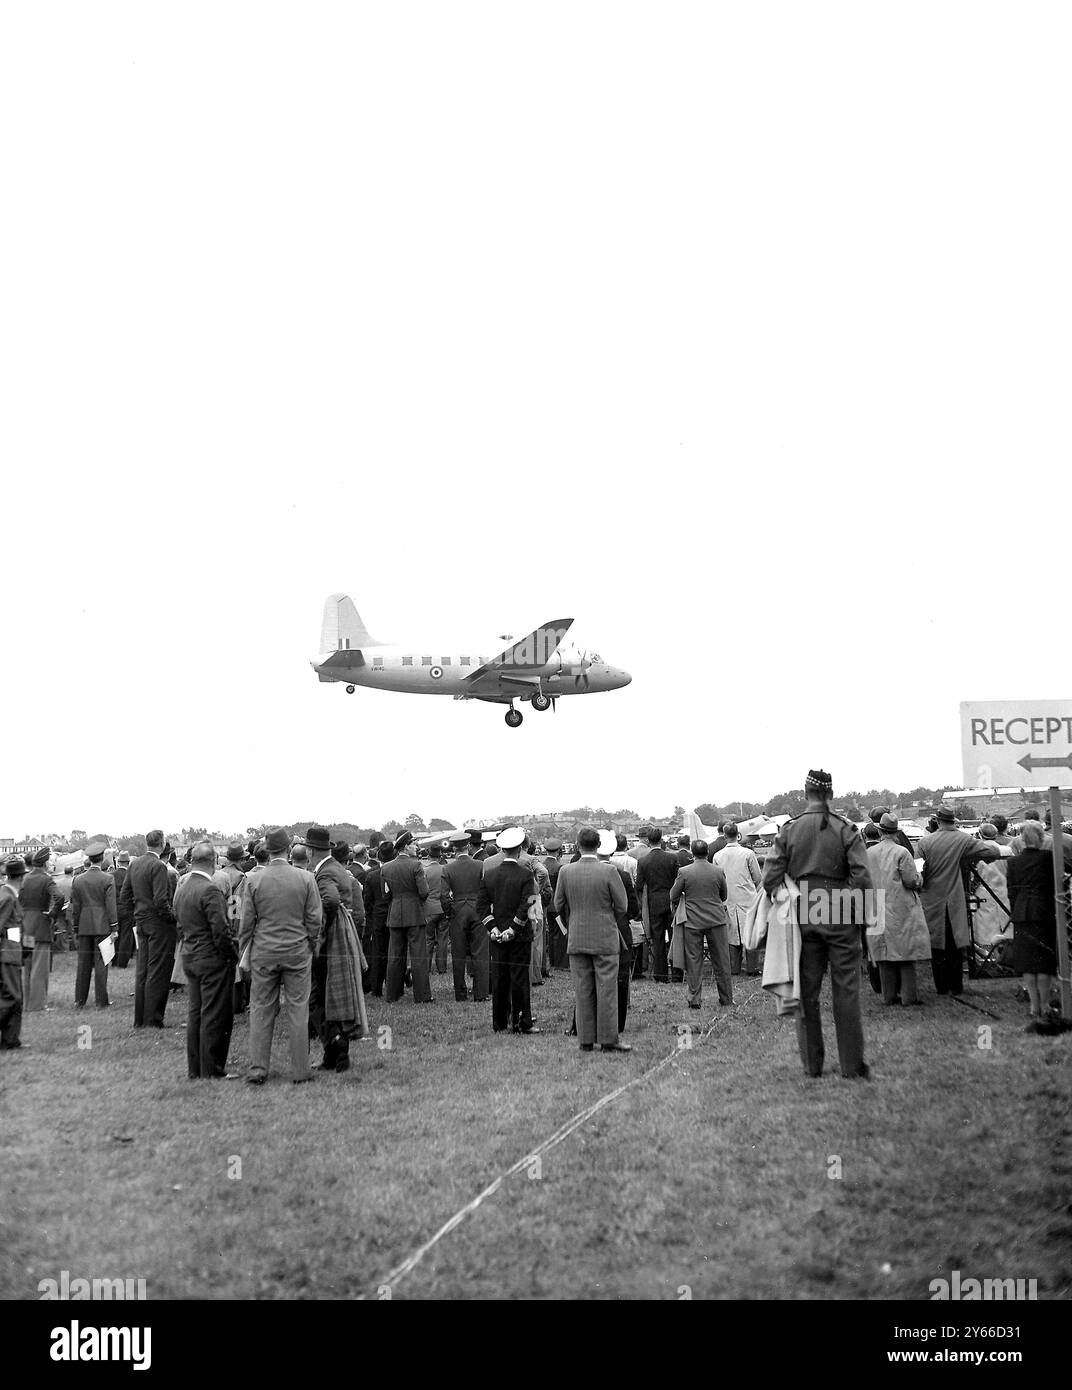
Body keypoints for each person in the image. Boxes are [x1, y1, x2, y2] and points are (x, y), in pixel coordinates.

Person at [762, 769, 873, 1080]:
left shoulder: (790, 829)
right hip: (840, 908)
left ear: (805, 792)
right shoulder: (845, 828)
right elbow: (863, 878)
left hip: (803, 909)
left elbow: (769, 877)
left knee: (806, 992)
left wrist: (787, 897)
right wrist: (862, 918)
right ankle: (852, 1065)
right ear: (831, 794)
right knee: (847, 991)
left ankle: (812, 1066)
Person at [239, 827, 322, 1085]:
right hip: (297, 951)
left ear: (267, 849)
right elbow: (314, 919)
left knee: (261, 1010)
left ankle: (258, 1069)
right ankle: (300, 1071)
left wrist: (245, 952)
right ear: (288, 849)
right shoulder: (306, 878)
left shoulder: (253, 880)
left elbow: (246, 923)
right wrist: (311, 944)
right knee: (298, 1010)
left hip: (264, 953)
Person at [554, 826, 630, 1052]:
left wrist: (573, 919)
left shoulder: (566, 871)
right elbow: (622, 906)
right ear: (598, 846)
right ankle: (608, 1040)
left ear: (577, 846)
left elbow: (558, 905)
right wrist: (607, 917)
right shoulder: (609, 872)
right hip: (605, 937)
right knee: (607, 990)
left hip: (577, 936)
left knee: (583, 989)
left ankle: (585, 1040)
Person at [918, 804, 1002, 996]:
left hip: (931, 900)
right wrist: (966, 858)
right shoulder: (963, 839)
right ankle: (956, 986)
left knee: (937, 945)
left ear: (937, 821)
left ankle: (941, 986)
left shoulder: (924, 842)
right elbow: (992, 852)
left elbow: (918, 873)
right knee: (955, 944)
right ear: (953, 821)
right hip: (955, 900)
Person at [178, 840, 238, 1078]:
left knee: (196, 1014)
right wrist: (230, 957)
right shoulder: (209, 889)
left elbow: (179, 924)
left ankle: (197, 1068)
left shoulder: (183, 886)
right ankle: (212, 1068)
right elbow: (221, 931)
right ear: (213, 861)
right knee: (214, 1015)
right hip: (210, 958)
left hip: (190, 955)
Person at [306, 827, 364, 1072]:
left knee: (316, 998)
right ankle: (334, 1056)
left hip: (329, 943)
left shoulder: (324, 873)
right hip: (341, 941)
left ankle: (336, 1044)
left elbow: (329, 901)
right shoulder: (337, 868)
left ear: (310, 851)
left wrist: (320, 930)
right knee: (331, 997)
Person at [477, 827, 539, 1034]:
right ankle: (522, 1022)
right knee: (520, 978)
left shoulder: (490, 875)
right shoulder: (526, 874)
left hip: (497, 935)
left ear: (502, 849)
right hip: (519, 935)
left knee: (500, 978)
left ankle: (499, 1022)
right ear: (520, 849)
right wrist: (513, 928)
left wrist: (493, 928)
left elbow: (482, 907)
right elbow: (528, 903)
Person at [864, 814, 930, 1006]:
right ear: (896, 832)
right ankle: (909, 997)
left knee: (884, 954)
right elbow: (911, 881)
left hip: (876, 905)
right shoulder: (902, 852)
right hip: (900, 906)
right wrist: (920, 878)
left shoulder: (868, 853)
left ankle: (889, 996)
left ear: (880, 830)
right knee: (905, 953)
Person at [1006, 822, 1061, 1033]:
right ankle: (1045, 1004)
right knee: (1044, 962)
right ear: (1040, 838)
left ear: (1021, 839)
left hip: (1021, 913)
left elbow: (1011, 891)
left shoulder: (1013, 862)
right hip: (1043, 912)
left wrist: (1016, 910)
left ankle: (1033, 1005)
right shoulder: (1048, 859)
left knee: (1028, 962)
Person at [120, 829, 178, 1028]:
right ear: (161, 844)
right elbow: (161, 901)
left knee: (142, 971)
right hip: (158, 924)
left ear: (147, 844)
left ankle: (140, 1019)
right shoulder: (158, 866)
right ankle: (153, 1019)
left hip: (141, 922)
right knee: (158, 972)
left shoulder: (134, 864)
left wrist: (136, 915)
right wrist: (173, 919)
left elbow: (124, 896)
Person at [670, 839, 732, 1009]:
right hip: (716, 920)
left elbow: (673, 895)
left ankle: (695, 999)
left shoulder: (684, 871)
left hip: (693, 921)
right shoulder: (718, 871)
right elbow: (724, 896)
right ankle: (726, 998)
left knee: (694, 961)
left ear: (692, 853)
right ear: (707, 852)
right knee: (721, 961)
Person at [381, 831, 432, 1003]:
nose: (416, 847)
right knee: (418, 956)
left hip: (395, 913)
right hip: (414, 914)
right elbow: (424, 892)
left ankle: (392, 994)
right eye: (413, 844)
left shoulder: (386, 868)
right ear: (405, 847)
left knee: (395, 955)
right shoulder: (416, 865)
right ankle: (422, 995)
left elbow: (385, 895)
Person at [71, 838, 118, 1009]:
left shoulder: (77, 880)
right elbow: (111, 906)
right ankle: (101, 1001)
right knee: (101, 963)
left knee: (83, 964)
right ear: (101, 858)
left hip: (84, 924)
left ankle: (79, 1000)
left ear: (90, 859)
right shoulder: (107, 878)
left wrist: (76, 927)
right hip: (102, 925)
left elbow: (75, 907)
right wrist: (114, 927)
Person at [441, 829, 488, 1001]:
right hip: (477, 909)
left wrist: (449, 913)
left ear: (454, 848)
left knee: (458, 954)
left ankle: (460, 993)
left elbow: (443, 896)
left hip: (458, 911)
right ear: (468, 846)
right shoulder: (480, 865)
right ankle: (481, 993)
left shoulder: (447, 868)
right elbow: (485, 890)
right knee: (480, 952)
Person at [713, 821, 763, 975]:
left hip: (728, 898)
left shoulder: (717, 856)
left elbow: (716, 878)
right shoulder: (748, 853)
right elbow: (758, 877)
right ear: (738, 834)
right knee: (750, 933)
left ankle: (734, 967)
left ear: (724, 835)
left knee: (732, 934)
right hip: (747, 898)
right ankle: (752, 967)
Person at [635, 827, 684, 984]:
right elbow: (678, 880)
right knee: (674, 939)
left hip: (654, 903)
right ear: (661, 839)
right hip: (671, 902)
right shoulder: (672, 858)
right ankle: (677, 974)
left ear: (648, 841)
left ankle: (660, 974)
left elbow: (639, 885)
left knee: (657, 940)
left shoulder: (643, 861)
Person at [20, 847, 62, 1011]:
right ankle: (37, 1005)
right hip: (41, 927)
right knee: (39, 968)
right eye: (50, 860)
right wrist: (52, 914)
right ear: (45, 863)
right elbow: (59, 897)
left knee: (28, 967)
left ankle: (27, 1003)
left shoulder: (24, 878)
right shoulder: (47, 879)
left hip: (26, 927)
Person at [0, 855, 27, 1049]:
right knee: (12, 997)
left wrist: (27, 947)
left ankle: (11, 1040)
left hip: (14, 952)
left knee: (16, 998)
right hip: (6, 954)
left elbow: (17, 928)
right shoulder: (7, 897)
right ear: (20, 878)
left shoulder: (7, 894)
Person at [362, 841, 393, 997]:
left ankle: (376, 988)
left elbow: (367, 901)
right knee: (393, 952)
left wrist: (371, 917)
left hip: (377, 917)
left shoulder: (371, 874)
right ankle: (393, 985)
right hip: (392, 916)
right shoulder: (394, 872)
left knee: (377, 953)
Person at [423, 843, 449, 975]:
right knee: (442, 940)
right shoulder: (445, 869)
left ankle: (426, 967)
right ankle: (442, 967)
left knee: (428, 940)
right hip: (443, 908)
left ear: (428, 856)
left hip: (428, 908)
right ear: (440, 857)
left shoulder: (424, 871)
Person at [112, 850, 136, 967]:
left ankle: (114, 960)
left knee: (116, 934)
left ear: (118, 862)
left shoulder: (112, 875)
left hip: (115, 908)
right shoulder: (131, 875)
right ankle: (122, 962)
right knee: (126, 935)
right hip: (127, 908)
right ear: (128, 862)